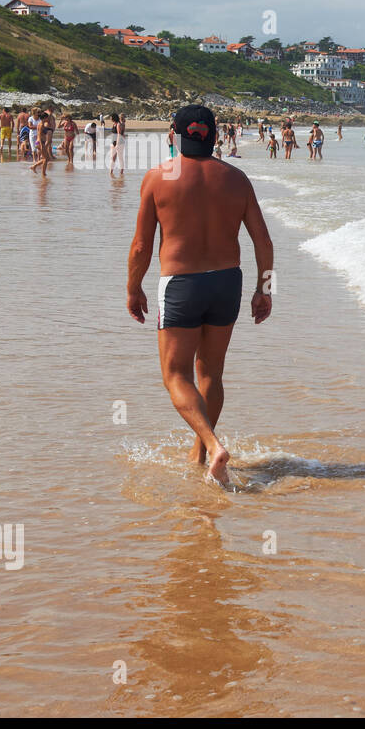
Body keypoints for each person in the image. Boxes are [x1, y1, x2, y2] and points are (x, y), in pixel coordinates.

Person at [125, 105, 274, 488]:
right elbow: (263, 240)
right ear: (214, 135)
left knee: (175, 374)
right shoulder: (236, 179)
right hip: (228, 282)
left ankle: (212, 444)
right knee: (211, 372)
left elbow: (142, 245)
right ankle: (200, 453)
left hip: (181, 283)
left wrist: (133, 287)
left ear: (173, 135)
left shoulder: (159, 177)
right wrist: (264, 290)